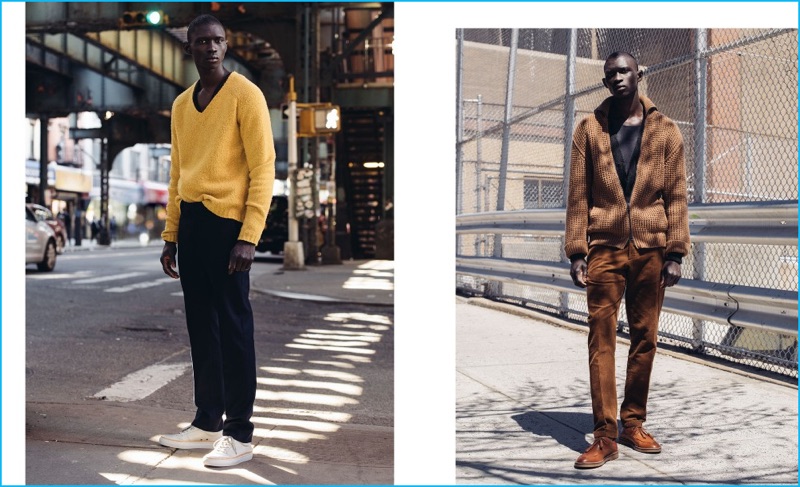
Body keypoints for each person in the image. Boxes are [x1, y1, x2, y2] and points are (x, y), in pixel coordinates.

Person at [158, 13, 275, 468]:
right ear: (189, 47)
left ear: (227, 47)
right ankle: (207, 421)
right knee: (201, 329)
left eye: (218, 41)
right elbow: (176, 175)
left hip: (229, 228)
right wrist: (171, 236)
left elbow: (263, 168)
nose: (211, 47)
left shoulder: (246, 95)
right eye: (202, 41)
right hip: (192, 225)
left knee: (234, 330)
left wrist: (249, 236)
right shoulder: (182, 105)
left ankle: (239, 433)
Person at [564, 51, 690, 469]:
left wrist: (675, 252)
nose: (617, 78)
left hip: (652, 250)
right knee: (600, 339)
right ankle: (604, 436)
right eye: (609, 74)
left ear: (640, 74)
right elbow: (578, 195)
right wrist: (577, 250)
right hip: (604, 248)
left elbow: (676, 195)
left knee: (645, 338)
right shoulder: (588, 129)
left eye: (623, 71)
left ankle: (632, 423)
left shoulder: (667, 131)